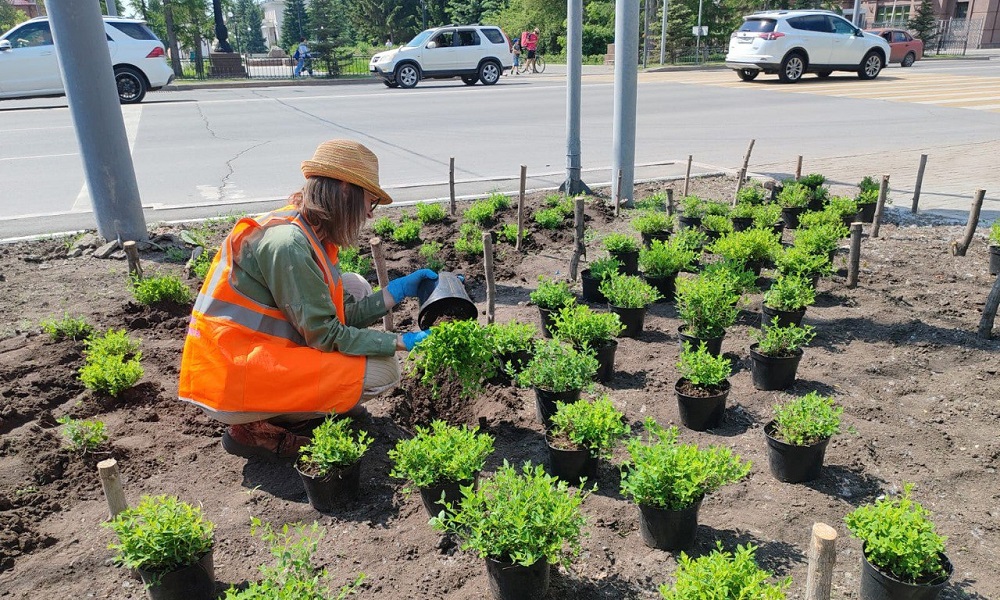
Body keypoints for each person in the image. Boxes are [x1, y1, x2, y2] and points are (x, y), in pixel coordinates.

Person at [179, 139, 436, 462]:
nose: (370, 213)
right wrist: (401, 341)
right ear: (345, 190)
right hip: (232, 379)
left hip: (247, 357)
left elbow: (334, 317)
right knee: (385, 369)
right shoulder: (289, 245)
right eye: (370, 201)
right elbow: (327, 335)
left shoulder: (304, 228)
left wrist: (394, 293)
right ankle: (259, 425)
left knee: (352, 285)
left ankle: (301, 404)